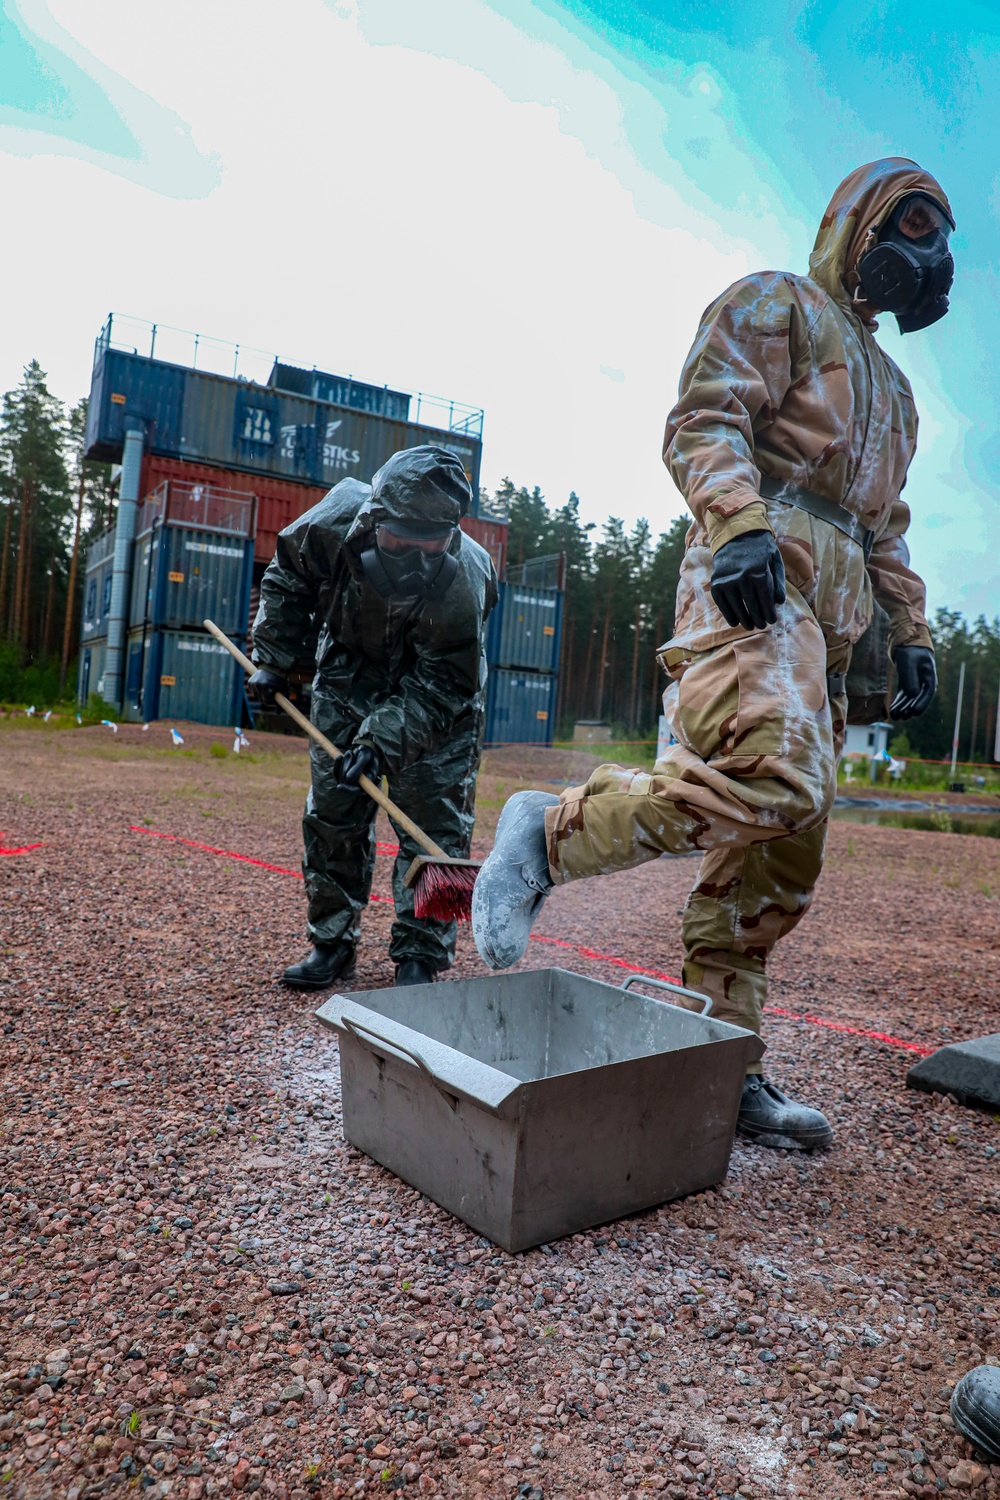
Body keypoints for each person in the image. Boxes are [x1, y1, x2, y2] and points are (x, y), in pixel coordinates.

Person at [473, 159, 952, 1149]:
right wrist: (735, 521)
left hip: (832, 609)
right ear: (856, 223)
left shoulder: (898, 396)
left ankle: (722, 1068)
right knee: (768, 776)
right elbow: (706, 414)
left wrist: (910, 630)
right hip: (752, 569)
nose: (930, 252)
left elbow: (883, 526)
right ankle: (545, 833)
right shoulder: (779, 304)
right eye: (911, 223)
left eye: (942, 237)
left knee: (778, 859)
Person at [250, 445, 498, 990]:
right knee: (333, 815)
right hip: (346, 674)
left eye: (427, 544)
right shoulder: (334, 520)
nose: (410, 556)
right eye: (398, 541)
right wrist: (274, 658)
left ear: (450, 533)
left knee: (436, 829)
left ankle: (420, 957)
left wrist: (379, 743)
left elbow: (441, 686)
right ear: (376, 518)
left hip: (439, 697)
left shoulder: (467, 579)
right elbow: (288, 579)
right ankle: (332, 943)